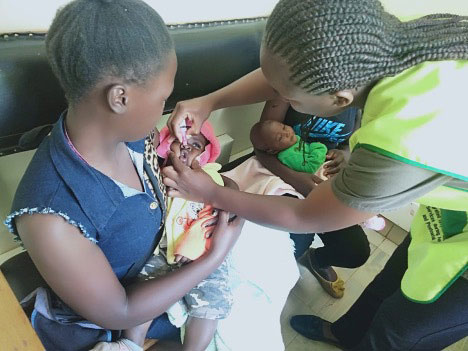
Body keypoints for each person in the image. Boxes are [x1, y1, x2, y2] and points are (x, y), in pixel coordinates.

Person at [164, 0, 468, 349]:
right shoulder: (383, 40)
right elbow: (289, 77)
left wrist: (211, 193)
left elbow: (304, 215)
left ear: (340, 99)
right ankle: (345, 333)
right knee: (393, 282)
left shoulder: (403, 140)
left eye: (288, 98)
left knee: (400, 333)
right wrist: (210, 101)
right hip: (448, 213)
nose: (281, 99)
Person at [3, 1, 243, 350]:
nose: (166, 106)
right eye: (164, 96)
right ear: (120, 97)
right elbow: (119, 312)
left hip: (162, 274)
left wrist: (194, 178)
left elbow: (162, 188)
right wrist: (213, 258)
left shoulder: (133, 137)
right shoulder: (51, 217)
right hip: (111, 320)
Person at [92, 122, 237, 351]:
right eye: (183, 141)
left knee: (210, 305)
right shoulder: (158, 171)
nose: (187, 147)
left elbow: (216, 213)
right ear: (170, 146)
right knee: (143, 293)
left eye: (196, 145)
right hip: (163, 246)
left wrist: (193, 246)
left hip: (203, 248)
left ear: (205, 155)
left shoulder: (210, 177)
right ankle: (131, 345)